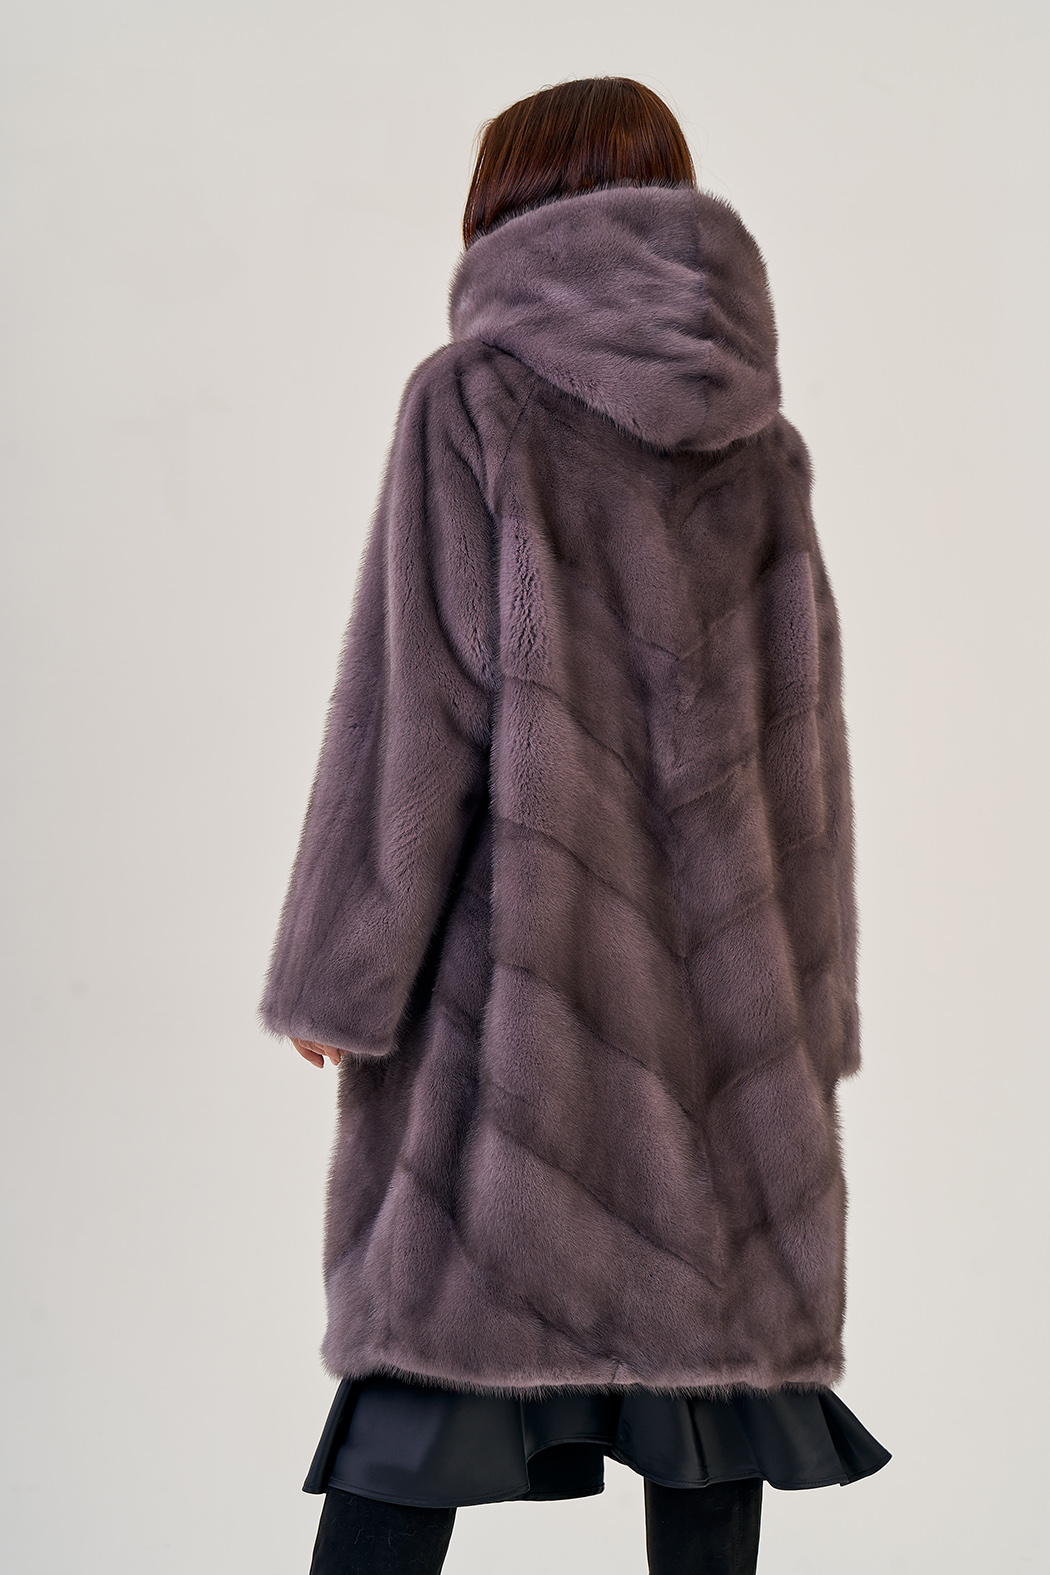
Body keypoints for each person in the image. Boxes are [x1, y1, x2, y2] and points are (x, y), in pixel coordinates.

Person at [260, 76, 891, 1575]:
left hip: (516, 1040)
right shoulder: (762, 447)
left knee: (421, 1397)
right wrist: (805, 1029)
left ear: (505, 205)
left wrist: (342, 975)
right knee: (706, 1421)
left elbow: (412, 714)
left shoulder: (472, 400)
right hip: (717, 1054)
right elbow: (804, 773)